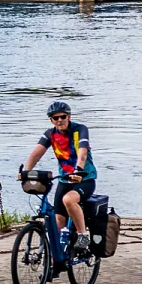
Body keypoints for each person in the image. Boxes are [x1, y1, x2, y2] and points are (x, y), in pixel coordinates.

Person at [20, 101, 97, 260]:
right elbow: (36, 154)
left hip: (84, 179)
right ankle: (58, 259)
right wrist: (26, 172)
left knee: (69, 200)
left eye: (63, 117)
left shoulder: (79, 130)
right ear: (51, 120)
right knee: (58, 221)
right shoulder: (50, 134)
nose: (59, 120)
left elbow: (82, 152)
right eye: (55, 118)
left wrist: (79, 170)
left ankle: (83, 235)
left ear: (69, 116)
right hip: (64, 180)